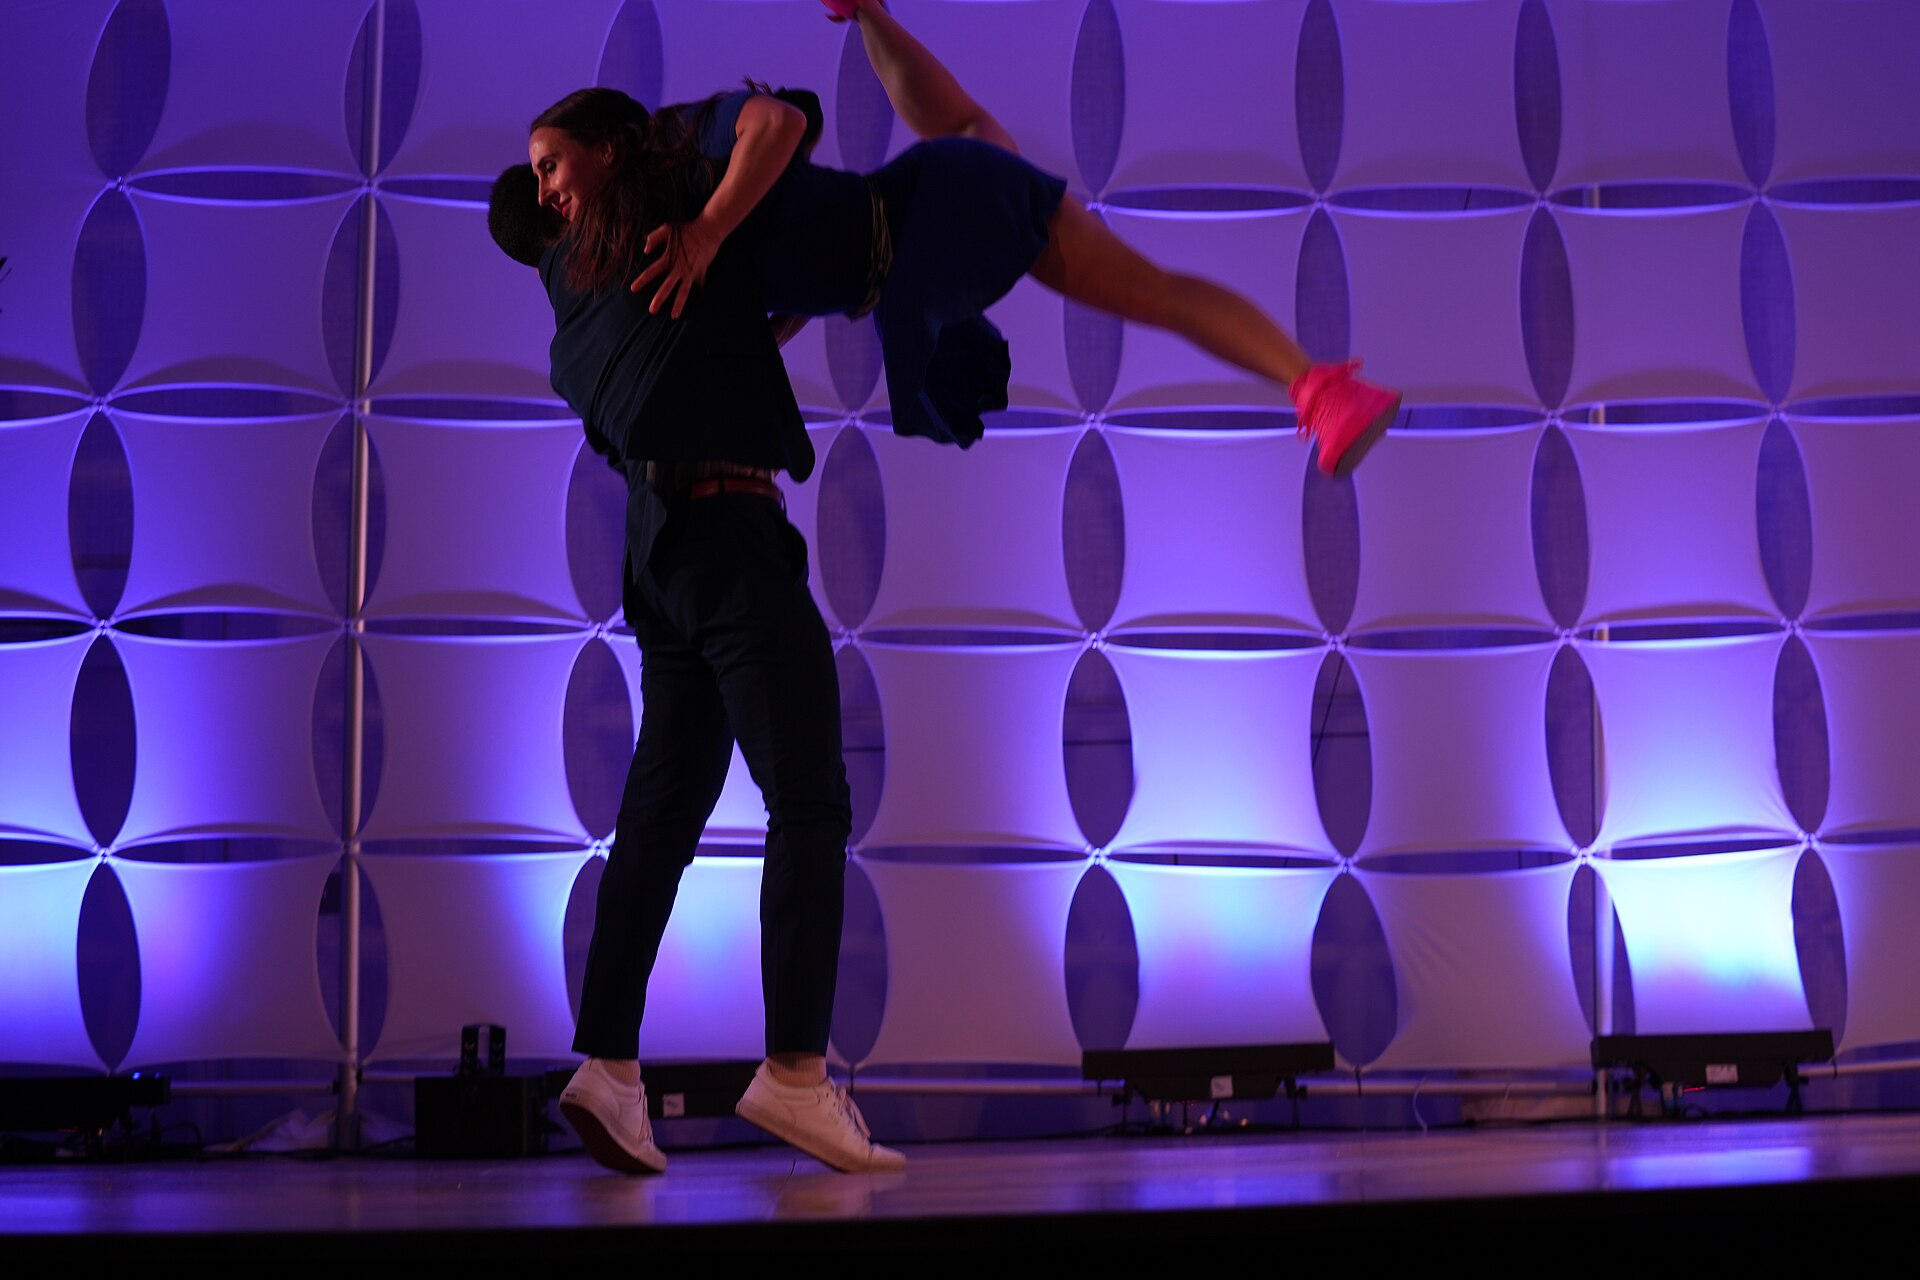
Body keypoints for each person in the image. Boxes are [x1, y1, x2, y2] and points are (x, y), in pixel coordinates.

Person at [489, 157, 905, 1176]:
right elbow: (780, 120)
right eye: (555, 181)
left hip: (660, 558)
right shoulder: (639, 257)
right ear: (555, 215)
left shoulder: (576, 332)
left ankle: (609, 1066)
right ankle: (796, 1072)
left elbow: (717, 348)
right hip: (730, 538)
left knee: (661, 817)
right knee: (810, 799)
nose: (570, 189)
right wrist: (722, 226)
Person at [529, 0, 1401, 475]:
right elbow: (787, 267)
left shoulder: (686, 155)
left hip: (922, 221)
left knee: (1141, 289)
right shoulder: (667, 238)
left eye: (551, 166)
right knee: (971, 130)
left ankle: (1318, 385)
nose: (545, 191)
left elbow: (781, 124)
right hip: (908, 235)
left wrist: (710, 232)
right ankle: (871, 14)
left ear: (606, 151)